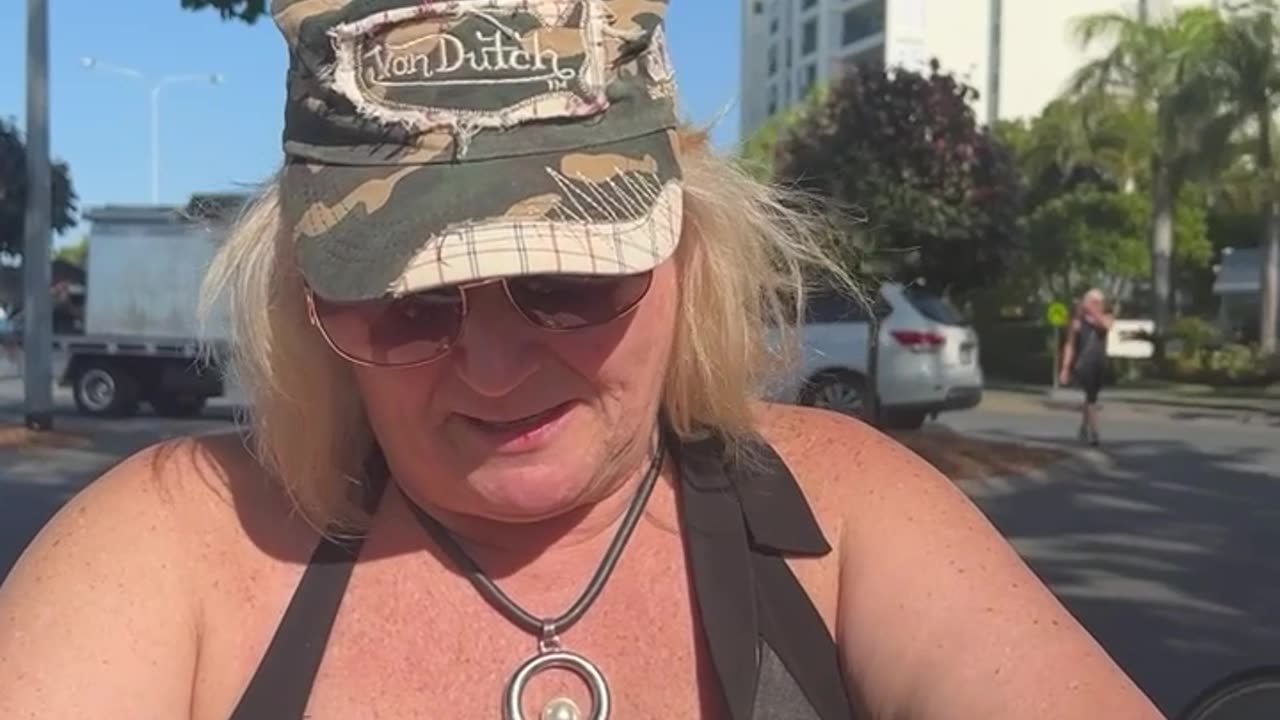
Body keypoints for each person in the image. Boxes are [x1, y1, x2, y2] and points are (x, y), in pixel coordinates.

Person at [0, 2, 1163, 718]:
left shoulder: (844, 519)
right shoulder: (171, 550)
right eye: (406, 303)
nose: (496, 369)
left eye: (569, 279)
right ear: (311, 310)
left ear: (686, 254)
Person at [1060, 288, 1115, 446]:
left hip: (1100, 363)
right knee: (1091, 398)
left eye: (1098, 302)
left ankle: (1084, 426)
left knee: (1091, 397)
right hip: (1084, 363)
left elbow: (1105, 326)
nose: (1096, 305)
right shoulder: (1077, 321)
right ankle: (1094, 432)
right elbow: (1069, 344)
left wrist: (1093, 311)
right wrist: (1065, 367)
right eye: (1092, 302)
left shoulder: (1106, 316)